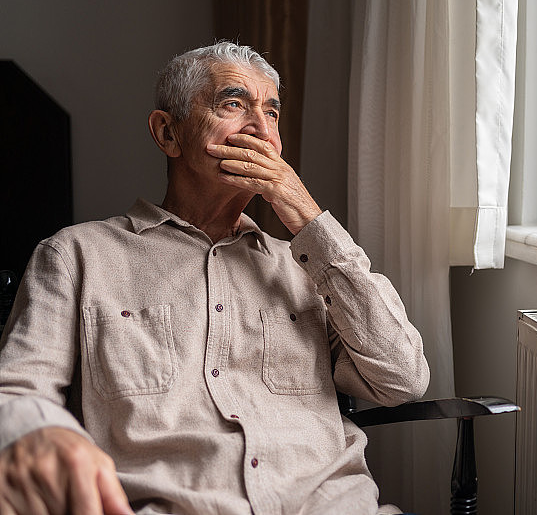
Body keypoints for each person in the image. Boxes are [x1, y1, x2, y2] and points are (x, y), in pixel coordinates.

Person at [0, 41, 429, 515]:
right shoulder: (77, 256)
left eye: (272, 113)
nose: (262, 131)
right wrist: (41, 431)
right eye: (233, 104)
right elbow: (15, 392)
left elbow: (402, 379)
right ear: (168, 133)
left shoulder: (309, 267)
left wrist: (309, 219)